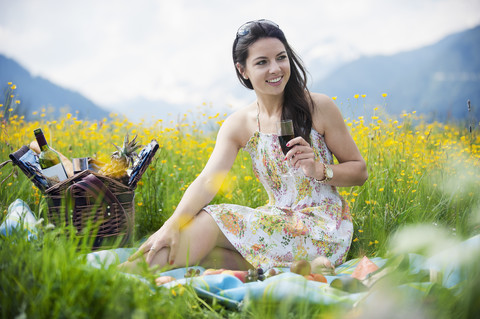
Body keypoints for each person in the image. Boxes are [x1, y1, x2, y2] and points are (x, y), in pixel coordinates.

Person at [122, 19, 367, 273]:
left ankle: (122, 276)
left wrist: (320, 170)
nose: (275, 69)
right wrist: (171, 224)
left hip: (323, 230)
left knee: (212, 220)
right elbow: (208, 180)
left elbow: (360, 171)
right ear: (243, 70)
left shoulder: (318, 107)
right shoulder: (239, 124)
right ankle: (296, 268)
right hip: (278, 226)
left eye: (281, 58)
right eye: (262, 62)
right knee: (205, 251)